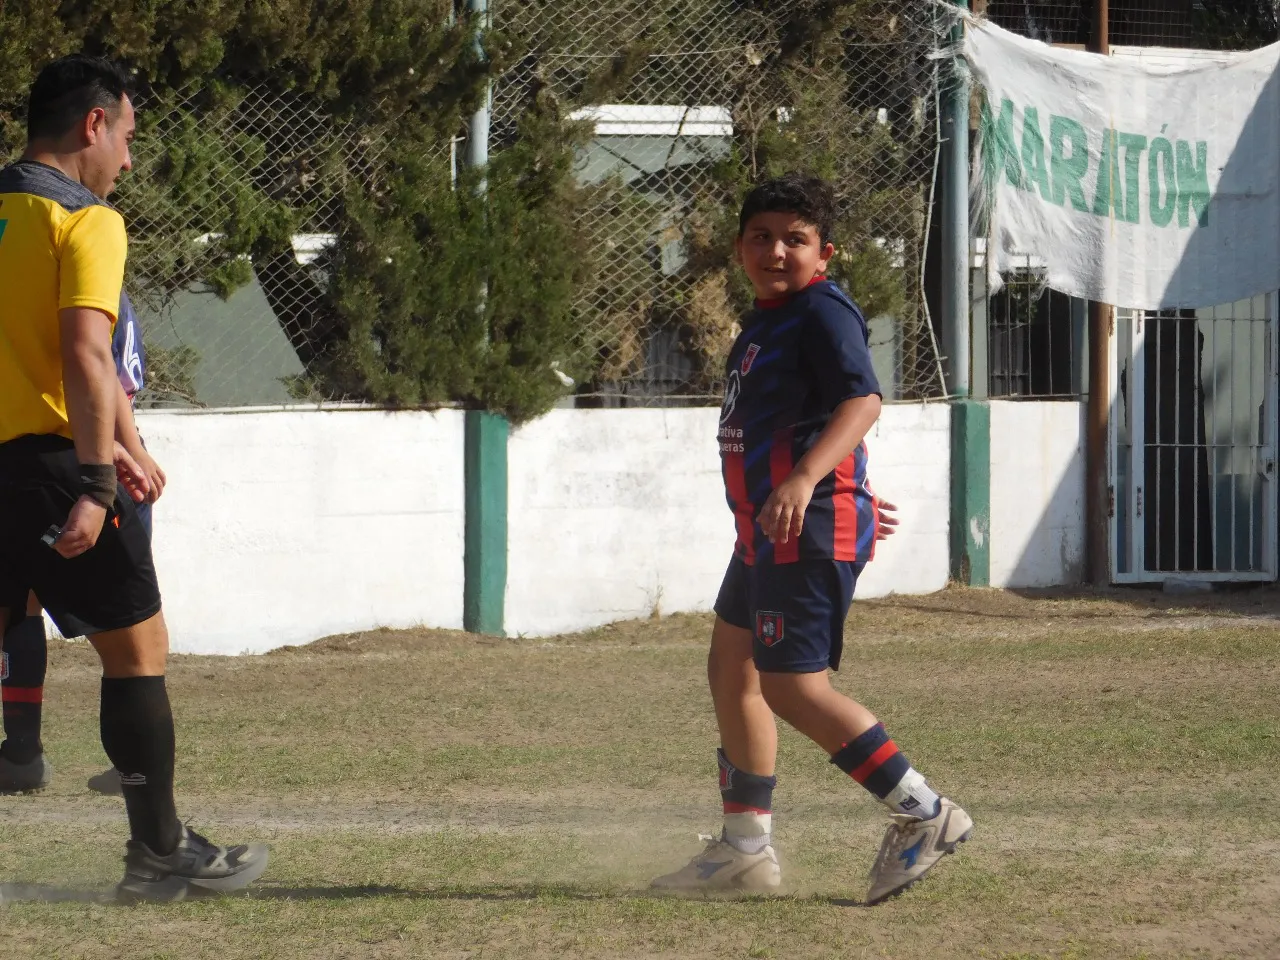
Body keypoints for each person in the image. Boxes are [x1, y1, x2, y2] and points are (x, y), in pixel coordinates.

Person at [650, 173, 972, 905]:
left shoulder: (822, 310)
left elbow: (863, 400)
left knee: (793, 687)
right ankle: (744, 851)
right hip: (769, 530)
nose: (776, 250)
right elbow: (806, 417)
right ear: (738, 248)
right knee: (732, 667)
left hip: (800, 525)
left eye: (795, 239)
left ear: (824, 252)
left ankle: (925, 812)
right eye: (761, 236)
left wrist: (811, 485)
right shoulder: (768, 320)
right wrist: (833, 486)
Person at [0, 54, 268, 900]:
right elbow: (85, 353)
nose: (129, 159)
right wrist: (96, 480)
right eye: (127, 136)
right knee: (137, 651)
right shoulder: (86, 222)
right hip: (49, 467)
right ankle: (158, 852)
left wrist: (122, 438)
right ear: (93, 124)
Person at [0, 289, 162, 797]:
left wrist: (122, 448)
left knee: (130, 635)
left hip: (80, 459)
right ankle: (130, 769)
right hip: (92, 456)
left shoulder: (76, 266)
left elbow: (99, 367)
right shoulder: (88, 264)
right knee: (135, 637)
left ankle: (28, 751)